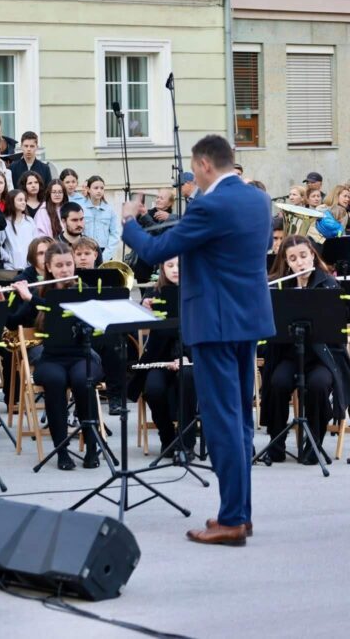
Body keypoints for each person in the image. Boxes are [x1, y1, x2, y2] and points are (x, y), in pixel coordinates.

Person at [121, 134, 273, 547]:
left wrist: (128, 223)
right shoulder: (259, 200)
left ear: (205, 165)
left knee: (222, 421)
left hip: (214, 322)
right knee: (240, 417)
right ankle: (241, 512)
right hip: (249, 320)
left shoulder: (210, 204)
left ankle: (232, 519)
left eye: (194, 169)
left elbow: (155, 251)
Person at [10, 242, 104, 471]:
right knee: (54, 381)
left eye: (68, 264)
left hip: (82, 355)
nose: (65, 270)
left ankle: (92, 446)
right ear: (49, 268)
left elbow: (70, 312)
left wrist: (34, 301)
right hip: (52, 358)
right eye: (59, 265)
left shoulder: (83, 289)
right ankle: (61, 450)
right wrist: (19, 300)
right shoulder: (39, 292)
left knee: (84, 380)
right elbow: (12, 323)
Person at [261, 235, 350, 464]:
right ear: (287, 262)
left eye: (303, 256)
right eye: (293, 258)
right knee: (278, 382)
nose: (299, 262)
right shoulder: (281, 286)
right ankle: (277, 443)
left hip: (323, 357)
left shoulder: (329, 284)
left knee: (318, 385)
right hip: (290, 354)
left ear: (312, 255)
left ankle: (313, 444)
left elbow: (337, 327)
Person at [128, 257, 197, 455]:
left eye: (180, 265)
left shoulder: (198, 293)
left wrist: (184, 357)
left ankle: (186, 443)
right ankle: (167, 437)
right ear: (162, 268)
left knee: (188, 377)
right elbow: (140, 326)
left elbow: (203, 331)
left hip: (191, 357)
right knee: (153, 389)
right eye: (170, 265)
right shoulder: (155, 293)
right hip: (159, 358)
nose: (175, 269)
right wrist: (144, 307)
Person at [81, 175, 121, 260]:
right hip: (85, 251)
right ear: (88, 189)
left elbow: (115, 234)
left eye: (102, 188)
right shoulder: (81, 208)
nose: (99, 191)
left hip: (104, 251)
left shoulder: (109, 210)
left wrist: (106, 255)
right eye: (96, 188)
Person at [2, 189, 38, 271]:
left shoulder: (29, 221)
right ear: (11, 201)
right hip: (10, 268)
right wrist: (8, 258)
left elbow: (35, 241)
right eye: (20, 200)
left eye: (25, 200)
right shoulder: (4, 222)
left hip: (29, 266)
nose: (24, 202)